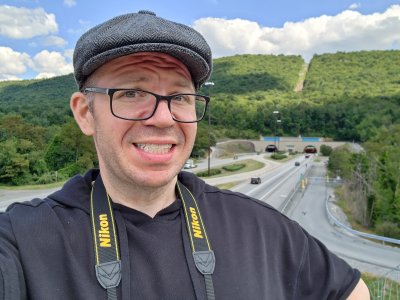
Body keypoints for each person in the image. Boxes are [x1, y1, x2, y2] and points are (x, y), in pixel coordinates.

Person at [0, 10, 369, 300]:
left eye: (180, 97)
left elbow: (354, 292)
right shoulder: (21, 240)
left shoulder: (260, 227)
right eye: (131, 93)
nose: (163, 118)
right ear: (84, 113)